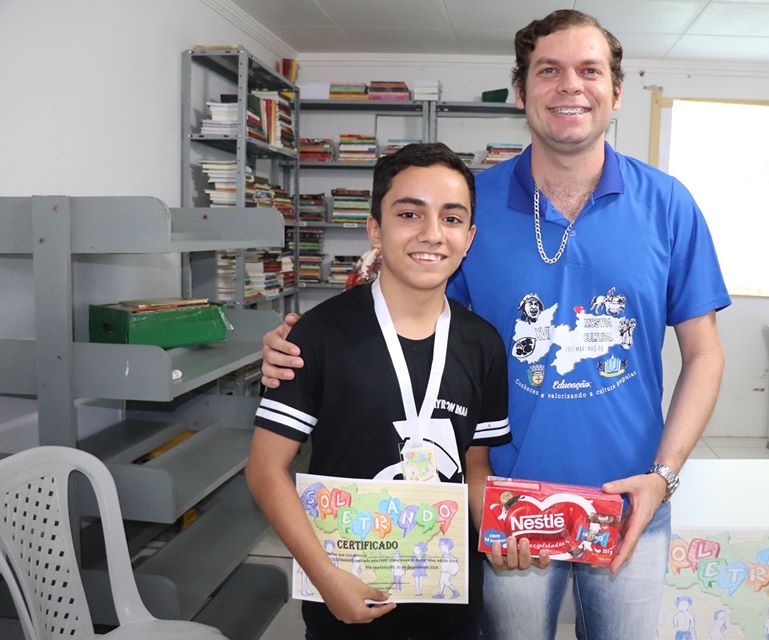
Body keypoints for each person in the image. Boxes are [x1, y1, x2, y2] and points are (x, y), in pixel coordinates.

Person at [260, 9, 729, 640]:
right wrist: (297, 345)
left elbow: (704, 354)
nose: (570, 85)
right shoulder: (468, 205)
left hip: (632, 498)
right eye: (549, 70)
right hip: (503, 505)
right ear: (520, 90)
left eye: (589, 70)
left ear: (616, 91)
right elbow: (406, 313)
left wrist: (664, 476)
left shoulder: (669, 205)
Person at [246, 142, 513, 640]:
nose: (432, 233)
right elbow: (265, 470)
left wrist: (503, 531)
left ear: (469, 237)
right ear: (375, 229)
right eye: (410, 214)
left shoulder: (484, 345)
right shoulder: (316, 336)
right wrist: (325, 579)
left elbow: (476, 467)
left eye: (452, 218)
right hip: (343, 596)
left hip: (448, 603)